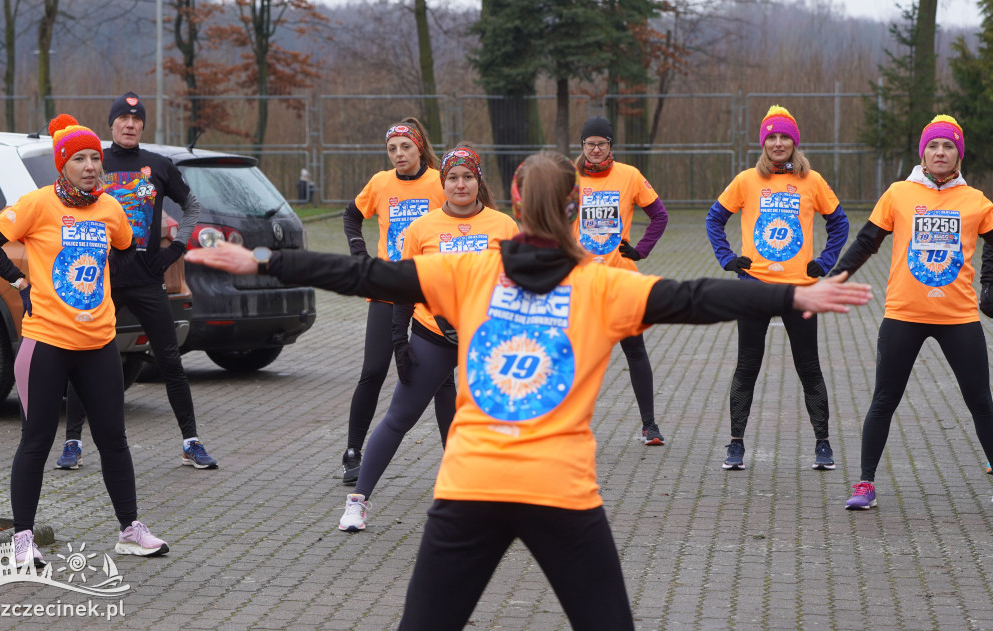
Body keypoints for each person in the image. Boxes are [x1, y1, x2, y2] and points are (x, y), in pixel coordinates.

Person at [185, 151, 871, 630]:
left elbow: (365, 276)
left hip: (469, 487)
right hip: (560, 493)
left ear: (511, 201)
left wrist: (266, 258)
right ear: (578, 208)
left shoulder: (468, 273)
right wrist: (793, 293)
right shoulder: (605, 286)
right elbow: (700, 296)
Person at [0, 114, 170, 565]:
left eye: (94, 159)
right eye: (78, 158)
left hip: (98, 342)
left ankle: (129, 529)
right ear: (62, 164)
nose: (89, 166)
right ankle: (22, 539)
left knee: (113, 439)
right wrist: (19, 283)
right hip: (46, 341)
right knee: (37, 439)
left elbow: (123, 250)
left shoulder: (109, 209)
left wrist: (105, 296)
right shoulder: (38, 204)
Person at [339, 144, 519, 531]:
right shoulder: (422, 227)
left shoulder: (504, 226)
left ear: (478, 181)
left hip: (483, 340)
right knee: (399, 417)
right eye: (452, 177)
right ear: (444, 182)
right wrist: (399, 341)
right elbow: (406, 287)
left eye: (467, 176)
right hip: (431, 335)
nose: (460, 184)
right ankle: (358, 501)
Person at [830, 115, 993, 510]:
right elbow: (867, 241)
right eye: (933, 146)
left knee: (981, 402)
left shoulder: (977, 201)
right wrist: (835, 277)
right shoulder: (899, 194)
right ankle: (865, 484)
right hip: (903, 315)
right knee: (884, 398)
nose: (940, 152)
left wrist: (989, 286)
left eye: (948, 146)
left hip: (959, 317)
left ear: (958, 155)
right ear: (923, 153)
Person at [55, 92, 216, 472]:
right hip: (100, 279)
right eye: (123, 118)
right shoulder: (95, 162)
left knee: (170, 360)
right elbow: (66, 208)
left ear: (143, 125)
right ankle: (73, 444)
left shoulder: (158, 165)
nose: (130, 124)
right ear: (111, 124)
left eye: (136, 119)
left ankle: (190, 442)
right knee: (81, 358)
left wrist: (175, 249)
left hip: (146, 278)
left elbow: (192, 207)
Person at [706, 105, 849, 471]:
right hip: (754, 288)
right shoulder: (746, 181)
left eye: (785, 136)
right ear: (763, 142)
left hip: (800, 289)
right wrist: (727, 258)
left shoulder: (812, 181)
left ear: (795, 142)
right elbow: (714, 218)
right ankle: (736, 444)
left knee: (809, 368)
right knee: (747, 366)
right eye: (772, 136)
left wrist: (825, 262)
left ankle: (823, 444)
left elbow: (839, 223)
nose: (778, 142)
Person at [338, 117, 452, 485]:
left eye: (405, 146)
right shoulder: (380, 183)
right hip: (388, 287)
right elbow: (352, 216)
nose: (399, 154)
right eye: (392, 149)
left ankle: (455, 461)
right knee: (373, 370)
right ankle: (353, 452)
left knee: (442, 380)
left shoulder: (439, 181)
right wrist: (359, 250)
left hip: (429, 293)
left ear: (419, 147)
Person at [574, 116, 670, 445]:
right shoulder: (570, 179)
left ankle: (650, 426)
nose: (596, 149)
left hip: (619, 281)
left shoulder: (629, 176)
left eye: (602, 143)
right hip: (582, 282)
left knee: (634, 350)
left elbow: (660, 215)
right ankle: (568, 426)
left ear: (611, 146)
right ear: (582, 147)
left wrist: (640, 251)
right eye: (590, 144)